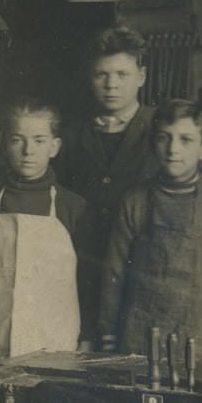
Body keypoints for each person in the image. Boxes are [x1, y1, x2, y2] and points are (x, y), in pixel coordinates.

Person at [99, 99, 202, 362]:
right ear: (152, 143)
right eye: (164, 138)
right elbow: (114, 272)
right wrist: (108, 336)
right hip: (137, 340)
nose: (172, 149)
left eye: (186, 140)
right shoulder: (135, 200)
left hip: (198, 342)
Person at [0, 100, 91, 380]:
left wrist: (87, 339)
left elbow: (90, 280)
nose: (28, 151)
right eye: (18, 140)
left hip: (56, 342)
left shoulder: (72, 207)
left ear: (54, 147)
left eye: (39, 141)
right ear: (6, 144)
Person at [58, 26, 160, 324]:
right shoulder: (71, 136)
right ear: (90, 78)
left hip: (141, 272)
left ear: (141, 76)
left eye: (122, 75)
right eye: (101, 75)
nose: (111, 84)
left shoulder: (161, 131)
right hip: (84, 272)